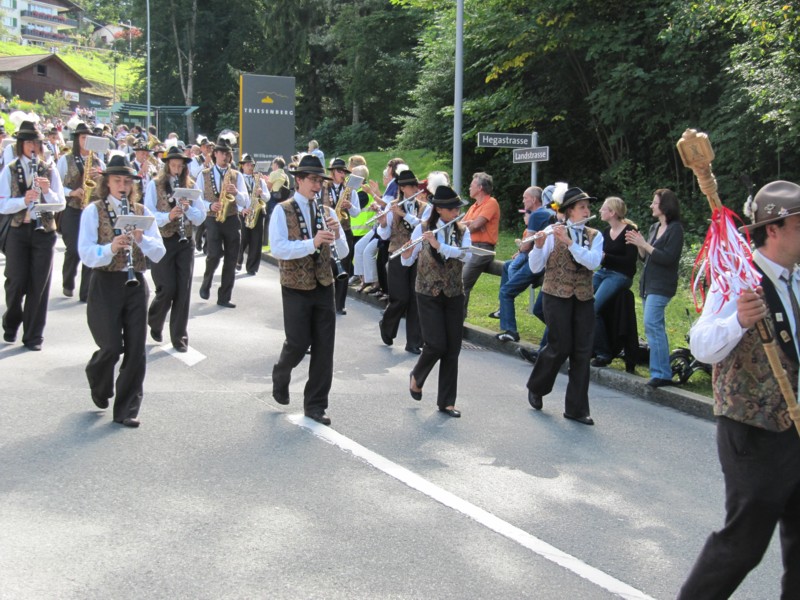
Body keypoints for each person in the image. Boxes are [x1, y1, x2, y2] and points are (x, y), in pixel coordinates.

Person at [677, 180, 800, 599]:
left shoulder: (796, 279)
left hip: (796, 427)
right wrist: (739, 322)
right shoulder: (738, 278)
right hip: (753, 429)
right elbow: (701, 345)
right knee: (744, 544)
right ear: (774, 228)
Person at [78, 155, 166, 428]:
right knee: (111, 346)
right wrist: (111, 248)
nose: (123, 186)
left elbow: (159, 252)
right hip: (105, 282)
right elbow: (86, 253)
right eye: (117, 181)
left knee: (137, 348)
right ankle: (98, 376)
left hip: (135, 282)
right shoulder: (93, 210)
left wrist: (141, 238)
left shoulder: (142, 212)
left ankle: (127, 409)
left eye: (127, 182)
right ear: (107, 183)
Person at [268, 155, 348, 426]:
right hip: (295, 286)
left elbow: (343, 252)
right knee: (298, 343)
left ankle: (316, 405)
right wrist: (311, 243)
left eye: (320, 181)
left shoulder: (328, 212)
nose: (317, 186)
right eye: (313, 180)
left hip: (324, 284)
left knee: (325, 348)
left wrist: (337, 235)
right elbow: (278, 248)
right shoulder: (282, 210)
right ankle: (281, 371)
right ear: (299, 180)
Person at [526, 187, 602, 425]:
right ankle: (537, 386)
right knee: (560, 345)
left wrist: (569, 243)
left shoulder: (595, 236)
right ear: (570, 211)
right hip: (555, 295)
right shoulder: (551, 232)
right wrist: (538, 246)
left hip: (583, 298)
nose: (587, 211)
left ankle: (577, 409)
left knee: (582, 352)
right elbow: (535, 267)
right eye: (582, 207)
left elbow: (592, 263)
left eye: (587, 207)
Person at [402, 186, 471, 418]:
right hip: (427, 292)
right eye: (451, 209)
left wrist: (439, 245)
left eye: (457, 209)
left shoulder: (463, 231)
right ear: (439, 209)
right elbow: (408, 260)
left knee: (453, 348)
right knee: (436, 344)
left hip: (454, 292)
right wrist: (406, 253)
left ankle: (447, 402)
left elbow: (466, 254)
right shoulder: (422, 228)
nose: (456, 212)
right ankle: (417, 375)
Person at [0, 120, 66, 350]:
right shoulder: (10, 169)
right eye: (27, 142)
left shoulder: (49, 169)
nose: (32, 146)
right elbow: (2, 205)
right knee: (16, 281)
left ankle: (33, 336)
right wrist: (23, 201)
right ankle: (11, 321)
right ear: (20, 144)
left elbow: (60, 204)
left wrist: (47, 191)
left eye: (35, 142)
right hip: (18, 230)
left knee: (39, 285)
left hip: (44, 232)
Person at [144, 145, 204, 352]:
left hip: (185, 241)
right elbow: (148, 214)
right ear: (167, 165)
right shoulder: (155, 185)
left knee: (183, 289)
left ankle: (179, 337)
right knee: (167, 287)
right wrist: (168, 216)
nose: (177, 169)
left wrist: (187, 209)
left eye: (180, 166)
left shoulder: (191, 186)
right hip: (163, 240)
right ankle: (155, 319)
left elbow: (200, 217)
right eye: (174, 165)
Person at [625, 188, 684, 387]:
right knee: (653, 326)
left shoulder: (675, 230)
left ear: (665, 206)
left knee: (652, 324)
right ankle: (660, 371)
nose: (651, 206)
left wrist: (645, 245)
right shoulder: (654, 227)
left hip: (662, 284)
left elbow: (668, 258)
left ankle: (661, 373)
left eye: (655, 203)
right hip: (648, 283)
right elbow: (646, 257)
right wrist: (638, 244)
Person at [492, 186, 554, 342]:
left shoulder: (537, 214)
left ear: (533, 199)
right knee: (507, 265)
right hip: (546, 260)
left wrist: (520, 248)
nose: (523, 201)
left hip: (536, 261)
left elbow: (526, 245)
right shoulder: (550, 214)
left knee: (506, 292)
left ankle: (510, 330)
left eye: (525, 198)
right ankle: (503, 309)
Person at [377, 168, 428, 354]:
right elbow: (385, 235)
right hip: (397, 253)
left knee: (415, 298)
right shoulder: (393, 206)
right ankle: (387, 326)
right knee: (400, 298)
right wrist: (383, 222)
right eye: (411, 186)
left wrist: (405, 214)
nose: (415, 189)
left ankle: (414, 342)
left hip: (418, 255)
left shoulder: (425, 207)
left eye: (416, 186)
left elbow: (424, 227)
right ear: (402, 188)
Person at [194, 138, 249, 308]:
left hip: (231, 218)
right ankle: (207, 281)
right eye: (222, 153)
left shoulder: (236, 175)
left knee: (232, 258)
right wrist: (210, 205)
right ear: (215, 154)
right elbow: (197, 199)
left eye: (228, 153)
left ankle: (224, 297)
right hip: (213, 218)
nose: (225, 156)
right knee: (214, 254)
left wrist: (237, 193)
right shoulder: (203, 174)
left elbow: (245, 201)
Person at [57, 121, 106, 301]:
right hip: (72, 208)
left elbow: (105, 190)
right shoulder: (66, 159)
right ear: (77, 139)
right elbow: (57, 186)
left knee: (90, 247)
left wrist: (100, 178)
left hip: (92, 211)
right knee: (73, 249)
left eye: (89, 138)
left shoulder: (99, 163)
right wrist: (72, 192)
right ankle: (68, 282)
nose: (86, 141)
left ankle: (86, 292)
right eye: (83, 137)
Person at [590, 197, 638, 366]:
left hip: (620, 275)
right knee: (582, 299)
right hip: (603, 272)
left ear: (612, 212)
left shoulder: (629, 231)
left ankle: (603, 352)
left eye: (603, 209)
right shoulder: (605, 232)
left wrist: (606, 257)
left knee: (593, 308)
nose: (600, 211)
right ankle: (587, 346)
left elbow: (630, 261)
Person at [320, 157, 360, 315]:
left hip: (345, 231)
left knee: (344, 267)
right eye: (339, 171)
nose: (342, 174)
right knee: (327, 265)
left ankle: (340, 304)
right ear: (332, 172)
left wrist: (350, 206)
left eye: (344, 172)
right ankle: (326, 302)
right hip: (326, 230)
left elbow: (356, 213)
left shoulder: (350, 190)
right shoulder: (322, 187)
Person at [461, 171, 500, 314]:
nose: (469, 188)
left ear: (480, 188)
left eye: (472, 185)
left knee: (462, 283)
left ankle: (458, 320)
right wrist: (470, 224)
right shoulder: (474, 206)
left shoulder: (491, 202)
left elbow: (476, 225)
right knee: (454, 280)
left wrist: (471, 224)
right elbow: (460, 224)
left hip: (482, 249)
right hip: (469, 247)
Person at [237, 153, 269, 275]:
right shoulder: (238, 179)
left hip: (257, 212)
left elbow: (267, 197)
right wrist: (241, 209)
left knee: (256, 241)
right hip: (244, 212)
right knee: (242, 239)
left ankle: (252, 268)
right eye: (248, 165)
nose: (250, 167)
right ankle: (238, 260)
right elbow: (234, 197)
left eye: (252, 165)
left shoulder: (259, 180)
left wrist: (262, 193)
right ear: (243, 166)